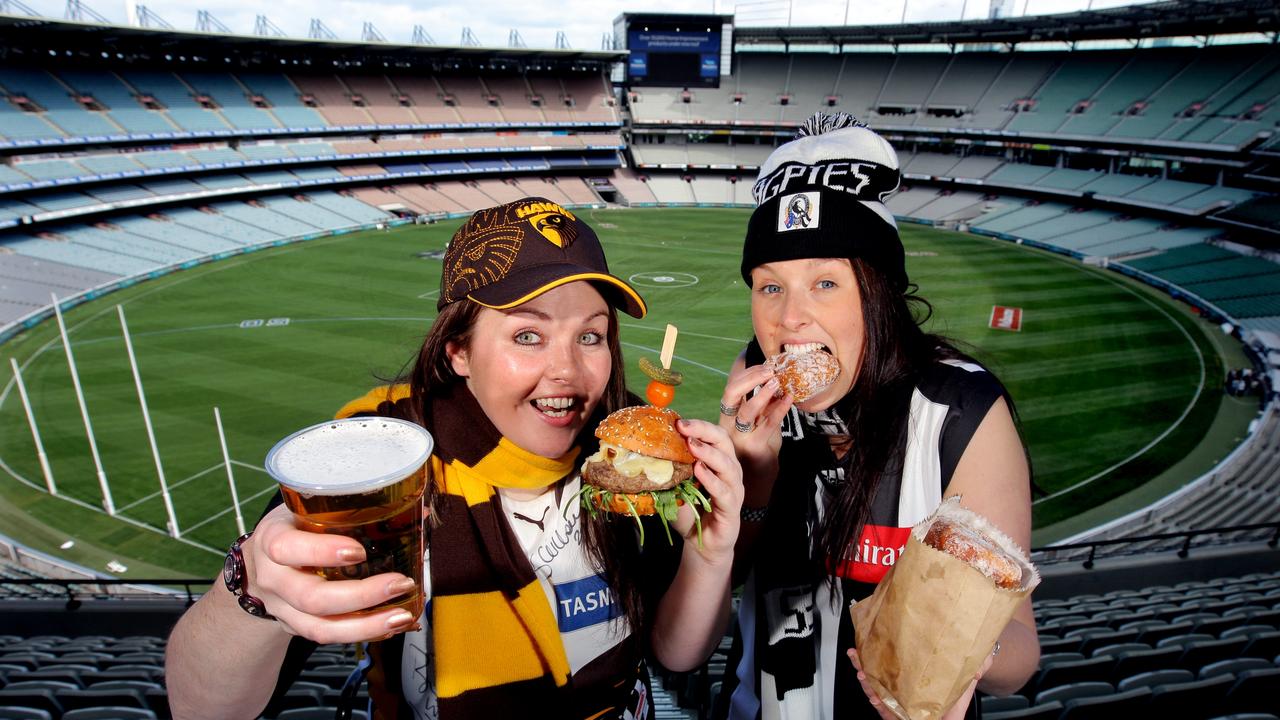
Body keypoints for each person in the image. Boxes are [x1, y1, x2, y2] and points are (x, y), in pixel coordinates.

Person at [166, 197, 744, 719]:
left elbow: (677, 652)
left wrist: (710, 553)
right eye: (527, 336)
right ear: (459, 351)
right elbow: (202, 711)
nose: (568, 372)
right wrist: (250, 595)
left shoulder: (628, 448)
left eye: (590, 336)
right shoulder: (378, 456)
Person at [711, 114, 1040, 720]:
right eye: (770, 286)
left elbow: (1019, 659)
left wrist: (960, 641)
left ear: (879, 293)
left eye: (827, 282)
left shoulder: (959, 410)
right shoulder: (751, 390)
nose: (790, 319)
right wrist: (751, 472)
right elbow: (721, 586)